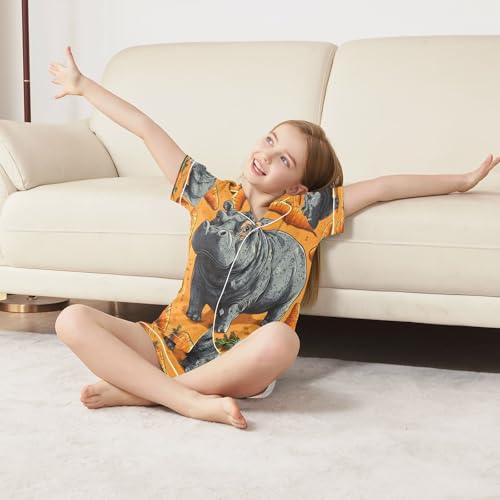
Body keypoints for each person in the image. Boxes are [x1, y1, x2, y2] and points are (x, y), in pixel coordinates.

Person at [49, 46, 499, 430]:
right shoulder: (209, 194)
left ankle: (146, 393)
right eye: (269, 140)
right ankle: (182, 398)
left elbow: (383, 187)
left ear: (299, 187)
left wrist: (462, 181)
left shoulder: (308, 215)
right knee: (71, 320)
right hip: (167, 341)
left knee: (283, 340)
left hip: (238, 362)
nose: (266, 154)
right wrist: (84, 86)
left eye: (284, 159)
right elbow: (147, 128)